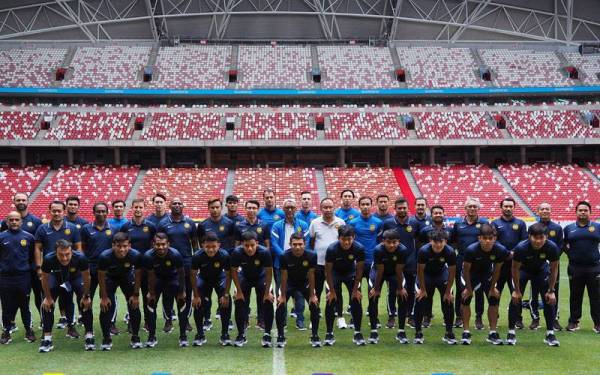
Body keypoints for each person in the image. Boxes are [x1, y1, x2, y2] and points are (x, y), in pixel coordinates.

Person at [34, 200, 82, 337]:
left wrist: (78, 266)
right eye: (54, 210)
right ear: (50, 211)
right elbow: (37, 248)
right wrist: (39, 267)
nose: (56, 213)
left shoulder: (72, 228)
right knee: (48, 299)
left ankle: (71, 327)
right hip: (50, 273)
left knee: (68, 299)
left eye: (59, 210)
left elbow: (78, 248)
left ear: (64, 211)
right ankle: (47, 331)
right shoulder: (42, 229)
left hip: (68, 272)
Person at [508, 223, 560, 346]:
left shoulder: (552, 247)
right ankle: (511, 332)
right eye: (535, 238)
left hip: (541, 271)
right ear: (529, 236)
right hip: (523, 271)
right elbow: (514, 268)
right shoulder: (521, 248)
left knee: (548, 300)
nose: (538, 241)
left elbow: (554, 269)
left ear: (546, 237)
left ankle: (550, 333)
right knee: (515, 299)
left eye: (541, 237)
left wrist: (551, 291)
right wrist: (516, 289)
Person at [39, 240, 94, 352]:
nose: (64, 258)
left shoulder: (80, 258)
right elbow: (44, 279)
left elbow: (87, 277)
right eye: (61, 255)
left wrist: (86, 295)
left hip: (75, 278)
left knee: (86, 303)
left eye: (67, 254)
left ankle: (89, 335)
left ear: (72, 252)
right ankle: (47, 338)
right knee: (46, 304)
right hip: (56, 278)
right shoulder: (49, 259)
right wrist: (48, 298)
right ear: (55, 252)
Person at [460, 224, 509, 345]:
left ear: (494, 239)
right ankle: (466, 332)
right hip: (470, 275)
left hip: (487, 274)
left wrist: (493, 288)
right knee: (466, 299)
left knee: (493, 300)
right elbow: (466, 270)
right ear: (479, 238)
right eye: (484, 238)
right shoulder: (471, 250)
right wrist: (468, 288)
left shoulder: (500, 250)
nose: (487, 241)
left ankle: (492, 332)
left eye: (490, 238)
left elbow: (497, 270)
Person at [156, 198, 198, 334]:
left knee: (186, 291)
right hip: (168, 263)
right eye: (174, 203)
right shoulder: (163, 223)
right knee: (167, 293)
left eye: (179, 203)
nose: (177, 205)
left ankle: (185, 321)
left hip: (186, 262)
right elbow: (158, 242)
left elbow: (194, 243)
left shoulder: (190, 223)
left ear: (183, 206)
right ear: (170, 206)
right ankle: (168, 320)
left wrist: (196, 259)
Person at [97, 233, 143, 350]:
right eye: (118, 246)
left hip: (126, 277)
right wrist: (104, 296)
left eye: (125, 246)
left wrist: (136, 294)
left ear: (129, 245)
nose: (122, 249)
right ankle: (106, 338)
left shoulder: (136, 255)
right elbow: (101, 277)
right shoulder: (104, 256)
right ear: (113, 245)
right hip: (109, 278)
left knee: (134, 305)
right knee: (106, 307)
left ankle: (135, 336)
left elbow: (138, 275)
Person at [382, 198, 421, 330]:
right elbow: (383, 242)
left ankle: (410, 316)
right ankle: (392, 316)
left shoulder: (414, 223)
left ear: (407, 208)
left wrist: (416, 259)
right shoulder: (388, 223)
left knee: (410, 290)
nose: (402, 210)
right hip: (392, 264)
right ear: (395, 208)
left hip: (410, 263)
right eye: (400, 208)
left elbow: (419, 242)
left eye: (404, 208)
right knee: (392, 290)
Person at [270, 198, 309, 330]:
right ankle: (283, 319)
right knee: (282, 292)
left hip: (299, 265)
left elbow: (307, 242)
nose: (290, 210)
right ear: (283, 209)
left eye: (292, 207)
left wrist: (295, 257)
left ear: (296, 208)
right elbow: (274, 244)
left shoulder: (303, 225)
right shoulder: (276, 225)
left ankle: (300, 320)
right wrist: (285, 257)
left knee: (299, 294)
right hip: (281, 264)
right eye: (287, 207)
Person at [275, 233, 320, 347]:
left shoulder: (312, 255)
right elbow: (284, 276)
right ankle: (281, 336)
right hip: (289, 283)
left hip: (304, 283)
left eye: (300, 244)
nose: (297, 247)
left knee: (314, 305)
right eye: (294, 244)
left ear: (305, 244)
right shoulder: (284, 256)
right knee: (280, 305)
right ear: (290, 244)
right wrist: (283, 295)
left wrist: (312, 295)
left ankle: (315, 336)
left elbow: (311, 275)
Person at [230, 231, 274, 347]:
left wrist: (267, 292)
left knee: (268, 300)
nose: (249, 249)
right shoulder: (237, 253)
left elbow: (269, 272)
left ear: (257, 243)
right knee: (239, 301)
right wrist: (238, 291)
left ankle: (267, 334)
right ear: (242, 244)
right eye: (246, 246)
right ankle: (241, 334)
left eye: (252, 245)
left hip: (261, 277)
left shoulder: (264, 252)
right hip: (244, 277)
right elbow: (233, 271)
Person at [143, 232, 188, 347]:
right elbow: (150, 275)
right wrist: (151, 292)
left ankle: (183, 336)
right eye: (158, 245)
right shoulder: (148, 256)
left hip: (173, 279)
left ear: (168, 244)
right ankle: (151, 337)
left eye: (163, 244)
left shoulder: (175, 254)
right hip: (157, 279)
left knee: (182, 303)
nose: (161, 247)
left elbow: (181, 273)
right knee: (150, 303)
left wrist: (182, 291)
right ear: (154, 244)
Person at [196, 198, 235, 330]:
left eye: (217, 207)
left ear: (221, 207)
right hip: (207, 263)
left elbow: (232, 241)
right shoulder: (203, 225)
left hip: (223, 262)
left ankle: (226, 319)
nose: (215, 209)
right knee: (205, 294)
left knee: (224, 293)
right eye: (212, 207)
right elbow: (199, 242)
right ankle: (206, 318)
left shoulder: (229, 223)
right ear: (209, 208)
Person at [324, 225, 366, 346]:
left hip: (350, 274)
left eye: (349, 239)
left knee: (356, 300)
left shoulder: (359, 248)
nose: (346, 242)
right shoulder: (332, 249)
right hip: (334, 274)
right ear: (339, 238)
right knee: (330, 301)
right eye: (343, 239)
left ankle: (357, 333)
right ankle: (329, 333)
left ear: (354, 237)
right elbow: (328, 271)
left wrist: (356, 288)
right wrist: (331, 291)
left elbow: (359, 269)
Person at [450, 198, 488, 329]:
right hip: (461, 260)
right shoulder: (458, 224)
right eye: (469, 206)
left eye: (474, 207)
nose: (472, 209)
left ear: (478, 209)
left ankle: (478, 318)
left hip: (480, 261)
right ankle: (459, 317)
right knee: (461, 288)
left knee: (479, 290)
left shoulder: (484, 223)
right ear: (465, 209)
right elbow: (453, 241)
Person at [414, 229, 457, 345]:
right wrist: (422, 290)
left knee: (448, 301)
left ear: (445, 241)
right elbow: (420, 271)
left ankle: (449, 332)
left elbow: (452, 272)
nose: (438, 245)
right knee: (420, 300)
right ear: (430, 241)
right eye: (435, 242)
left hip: (441, 274)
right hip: (425, 275)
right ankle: (418, 332)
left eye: (441, 242)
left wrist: (448, 292)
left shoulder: (450, 252)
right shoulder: (423, 251)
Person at [563, 201, 600, 333]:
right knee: (575, 296)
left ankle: (598, 323)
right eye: (580, 210)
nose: (583, 212)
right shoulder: (568, 228)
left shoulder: (597, 227)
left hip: (594, 268)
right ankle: (573, 322)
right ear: (576, 212)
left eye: (585, 210)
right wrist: (572, 255)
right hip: (575, 268)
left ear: (590, 212)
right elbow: (564, 245)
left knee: (596, 296)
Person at [120, 199, 157, 330]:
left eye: (140, 207)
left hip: (147, 267)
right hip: (130, 267)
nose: (138, 209)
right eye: (135, 207)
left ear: (144, 208)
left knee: (148, 294)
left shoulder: (151, 226)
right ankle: (133, 321)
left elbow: (155, 245)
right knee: (131, 295)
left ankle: (148, 321)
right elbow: (122, 245)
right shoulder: (125, 227)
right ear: (132, 208)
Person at [81, 202, 117, 335]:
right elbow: (83, 248)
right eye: (98, 211)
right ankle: (88, 330)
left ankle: (108, 326)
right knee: (86, 298)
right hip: (90, 269)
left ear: (107, 212)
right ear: (93, 212)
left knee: (107, 298)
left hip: (107, 270)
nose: (101, 213)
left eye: (103, 211)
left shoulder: (113, 229)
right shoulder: (86, 229)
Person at [309, 198, 345, 328]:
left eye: (330, 207)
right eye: (325, 207)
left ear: (334, 207)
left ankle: (340, 316)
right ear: (321, 208)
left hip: (336, 264)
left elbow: (344, 241)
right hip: (319, 263)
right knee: (316, 291)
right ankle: (315, 316)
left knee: (337, 291)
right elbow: (312, 242)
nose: (328, 210)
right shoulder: (315, 223)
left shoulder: (340, 222)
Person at [491, 197, 527, 330]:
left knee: (516, 291)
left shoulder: (521, 223)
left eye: (510, 206)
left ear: (514, 207)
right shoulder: (494, 223)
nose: (508, 208)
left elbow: (524, 241)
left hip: (515, 265)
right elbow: (493, 240)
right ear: (501, 208)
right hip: (499, 264)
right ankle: (495, 317)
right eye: (505, 206)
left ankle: (517, 318)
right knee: (495, 291)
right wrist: (506, 252)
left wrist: (513, 252)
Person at [367, 230, 409, 344]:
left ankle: (401, 331)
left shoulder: (403, 250)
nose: (391, 245)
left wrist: (400, 288)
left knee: (403, 296)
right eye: (388, 242)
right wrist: (376, 289)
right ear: (383, 241)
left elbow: (399, 270)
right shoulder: (378, 250)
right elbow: (380, 271)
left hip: (395, 273)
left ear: (399, 242)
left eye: (394, 242)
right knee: (373, 297)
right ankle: (373, 331)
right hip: (378, 272)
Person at [0, 211, 36, 344]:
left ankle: (29, 330)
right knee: (6, 306)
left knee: (25, 305)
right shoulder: (1, 237)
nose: (14, 222)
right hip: (5, 278)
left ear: (21, 221)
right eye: (11, 220)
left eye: (17, 219)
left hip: (23, 277)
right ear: (7, 221)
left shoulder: (29, 237)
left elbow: (33, 257)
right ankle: (6, 332)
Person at [191, 232, 232, 346]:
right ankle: (200, 334)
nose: (210, 250)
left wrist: (226, 295)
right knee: (199, 303)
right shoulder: (197, 256)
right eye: (207, 247)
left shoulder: (224, 255)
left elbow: (229, 275)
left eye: (214, 247)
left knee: (226, 302)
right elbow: (193, 275)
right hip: (204, 279)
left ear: (219, 245)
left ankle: (225, 334)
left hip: (220, 279)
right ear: (202, 245)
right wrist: (196, 296)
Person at [348, 196, 383, 328]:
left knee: (373, 291)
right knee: (355, 290)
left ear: (371, 205)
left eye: (368, 204)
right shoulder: (353, 222)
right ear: (359, 206)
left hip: (372, 262)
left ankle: (374, 316)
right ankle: (354, 316)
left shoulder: (378, 223)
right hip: (356, 263)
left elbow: (380, 242)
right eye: (363, 204)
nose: (365, 206)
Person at [532, 202, 564, 330]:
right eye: (542, 209)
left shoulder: (557, 228)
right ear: (538, 211)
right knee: (534, 292)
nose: (545, 211)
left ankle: (554, 319)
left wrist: (552, 259)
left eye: (547, 209)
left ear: (551, 211)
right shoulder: (534, 227)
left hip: (553, 265)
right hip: (536, 265)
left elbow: (561, 246)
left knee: (553, 290)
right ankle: (535, 318)